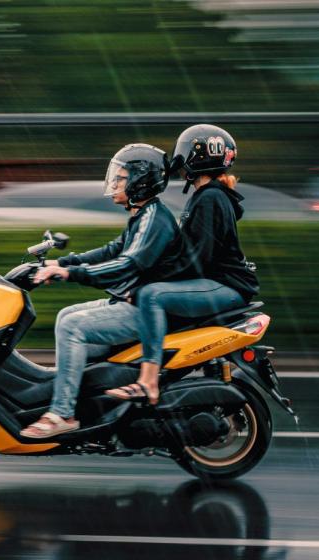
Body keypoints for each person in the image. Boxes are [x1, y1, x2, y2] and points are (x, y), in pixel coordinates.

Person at [20, 143, 184, 439]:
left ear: (141, 180)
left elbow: (125, 265)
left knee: (73, 326)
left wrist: (70, 273)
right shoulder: (143, 214)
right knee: (67, 315)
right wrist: (62, 262)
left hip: (144, 311)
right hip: (133, 301)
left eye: (122, 178)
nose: (115, 183)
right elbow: (111, 250)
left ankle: (62, 413)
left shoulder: (155, 220)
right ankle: (87, 399)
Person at [105, 124, 259, 404]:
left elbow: (196, 259)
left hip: (226, 286)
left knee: (152, 296)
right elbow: (187, 254)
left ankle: (148, 382)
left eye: (183, 149)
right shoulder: (206, 196)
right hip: (218, 283)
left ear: (194, 155)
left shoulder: (210, 198)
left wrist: (146, 282)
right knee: (149, 291)